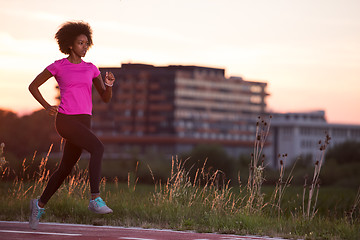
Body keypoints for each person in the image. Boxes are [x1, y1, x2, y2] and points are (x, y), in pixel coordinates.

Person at [28, 21, 115, 230]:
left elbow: (105, 98)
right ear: (69, 45)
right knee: (98, 148)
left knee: (65, 168)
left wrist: (110, 85)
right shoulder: (58, 66)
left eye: (87, 43)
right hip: (66, 120)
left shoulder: (91, 69)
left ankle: (38, 205)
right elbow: (33, 85)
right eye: (80, 43)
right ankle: (95, 199)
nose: (85, 47)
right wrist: (46, 105)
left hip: (84, 121)